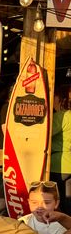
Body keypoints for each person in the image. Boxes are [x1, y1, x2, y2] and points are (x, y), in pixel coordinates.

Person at [50, 85, 71, 214]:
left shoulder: (62, 116)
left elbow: (44, 134)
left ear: (59, 99)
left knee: (59, 204)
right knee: (69, 203)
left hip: (58, 165)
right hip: (68, 164)